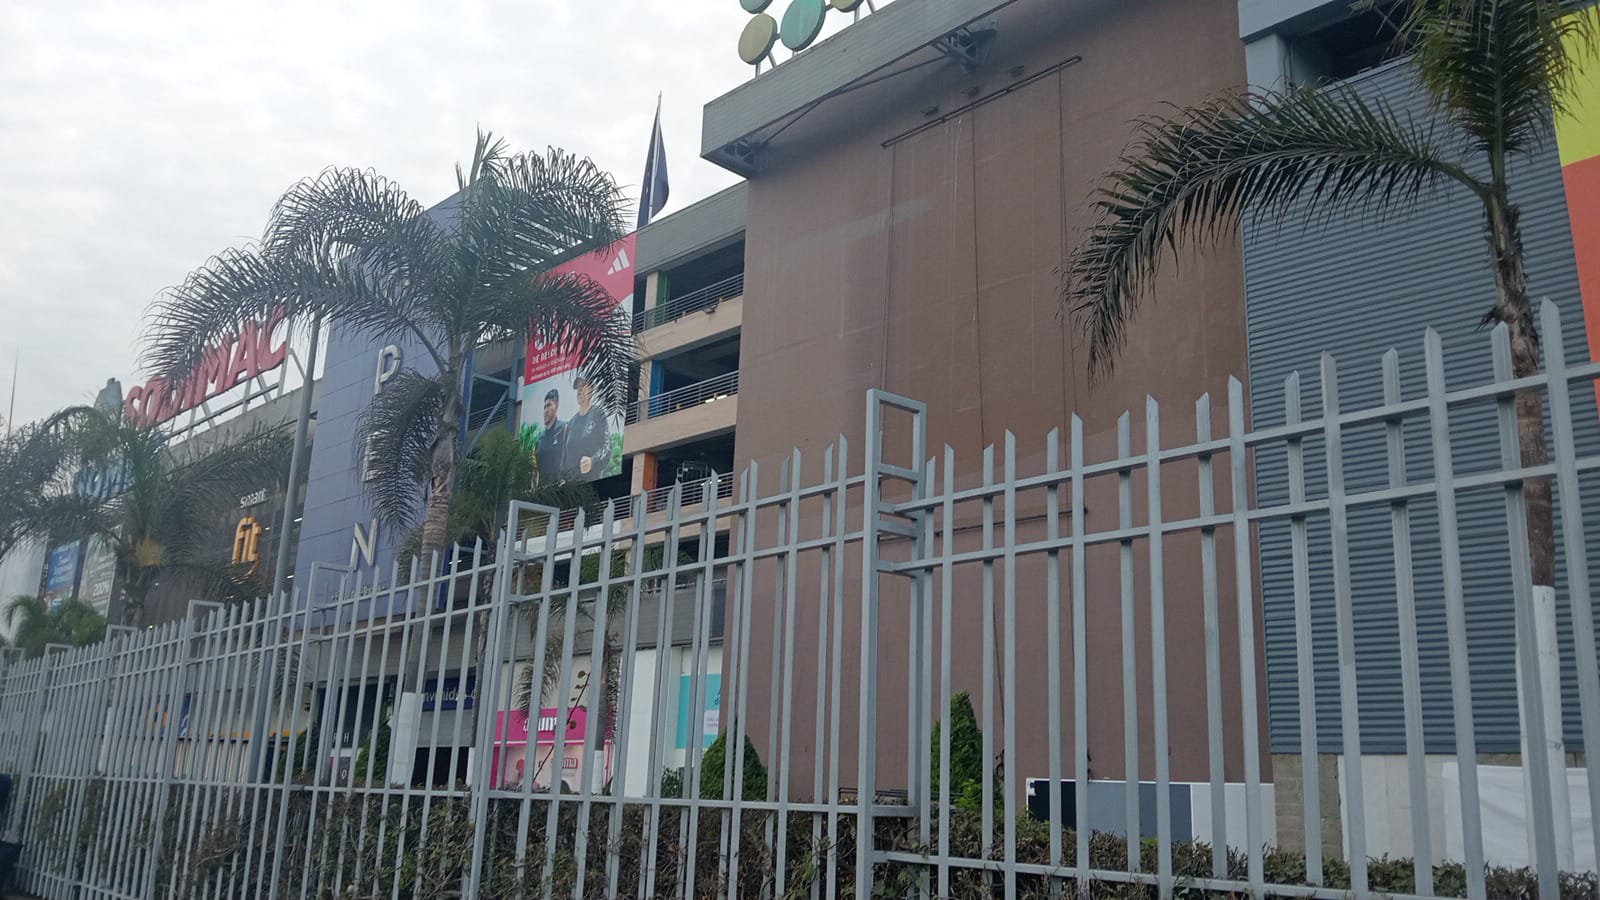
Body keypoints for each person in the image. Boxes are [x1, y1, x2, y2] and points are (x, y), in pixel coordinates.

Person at [563, 374, 612, 478]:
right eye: (578, 388)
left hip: (592, 481)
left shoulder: (598, 414)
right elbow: (564, 460)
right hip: (572, 484)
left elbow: (607, 447)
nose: (580, 391)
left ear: (591, 389)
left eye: (583, 386)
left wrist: (593, 461)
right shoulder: (570, 424)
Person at [534, 389, 568, 483]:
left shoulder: (565, 429)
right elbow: (535, 471)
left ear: (557, 405)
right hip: (543, 489)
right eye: (544, 407)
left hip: (562, 488)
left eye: (549, 405)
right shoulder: (539, 440)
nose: (545, 411)